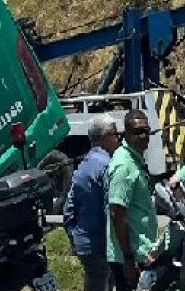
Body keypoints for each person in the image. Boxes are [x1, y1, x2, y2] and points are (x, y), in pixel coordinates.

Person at [64, 115, 121, 291]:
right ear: (104, 138)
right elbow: (113, 209)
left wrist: (74, 235)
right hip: (100, 243)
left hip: (85, 242)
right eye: (115, 134)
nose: (118, 138)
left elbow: (68, 208)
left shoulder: (84, 165)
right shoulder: (107, 166)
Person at [107, 110, 157, 291]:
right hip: (129, 257)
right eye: (137, 132)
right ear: (126, 134)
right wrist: (129, 259)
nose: (143, 136)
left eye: (146, 131)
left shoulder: (135, 159)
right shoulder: (124, 166)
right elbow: (117, 213)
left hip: (141, 251)